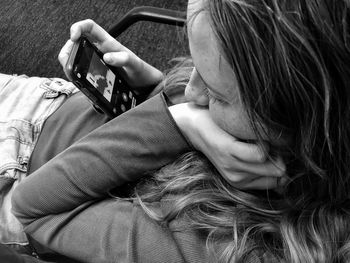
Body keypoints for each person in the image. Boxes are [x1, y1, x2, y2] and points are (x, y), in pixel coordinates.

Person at [5, 0, 349, 262]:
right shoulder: (256, 125)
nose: (193, 92)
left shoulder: (215, 247)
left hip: (18, 172)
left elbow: (32, 209)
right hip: (56, 102)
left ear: (298, 124)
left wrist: (177, 123)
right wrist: (153, 90)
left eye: (215, 93)